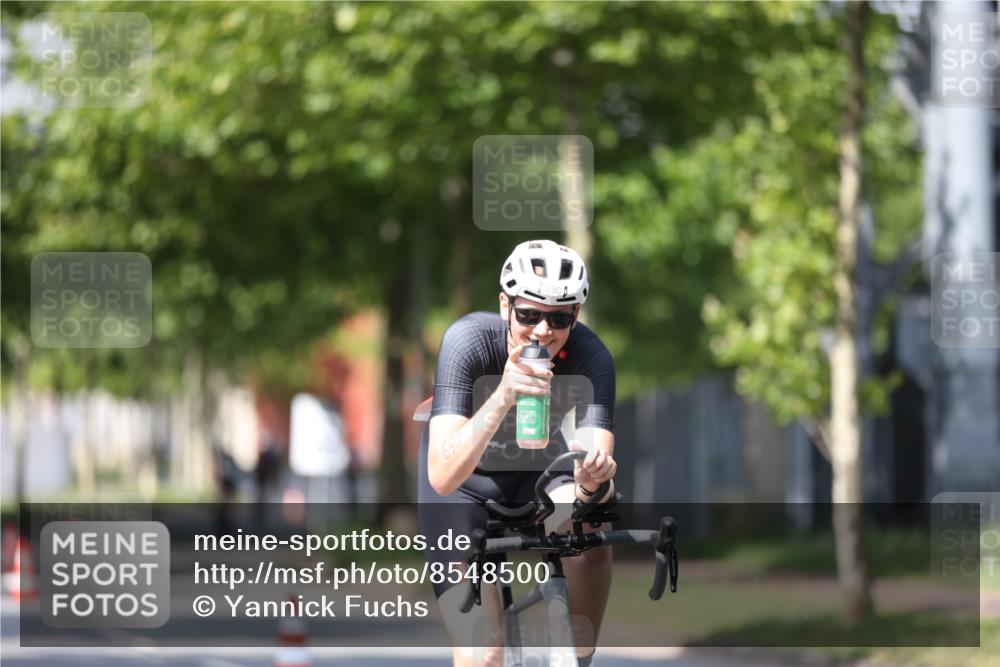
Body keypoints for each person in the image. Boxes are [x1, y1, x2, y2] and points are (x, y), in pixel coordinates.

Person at [418, 240, 617, 667]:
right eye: (529, 315)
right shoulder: (468, 340)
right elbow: (442, 475)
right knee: (486, 656)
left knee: (593, 535)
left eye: (559, 317)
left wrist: (593, 479)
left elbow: (595, 458)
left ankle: (577, 658)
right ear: (505, 306)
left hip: (536, 478)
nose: (543, 330)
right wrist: (504, 394)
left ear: (575, 316)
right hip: (462, 488)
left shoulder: (590, 355)